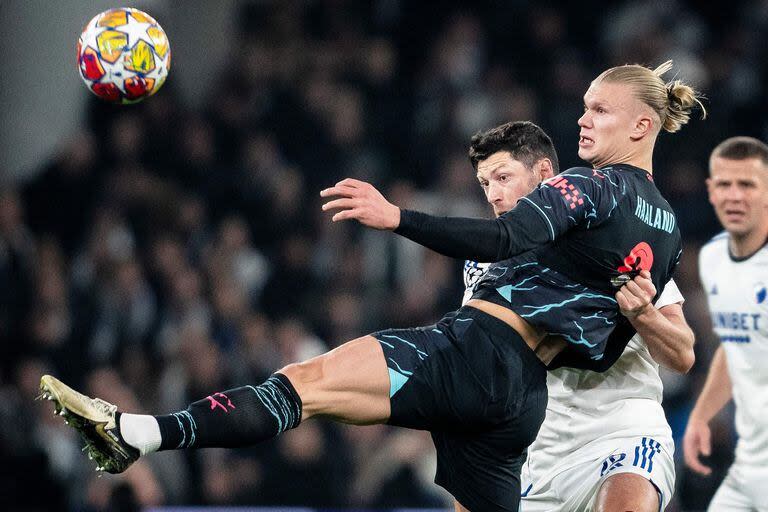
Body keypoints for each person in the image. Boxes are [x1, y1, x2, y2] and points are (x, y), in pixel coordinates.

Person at [40, 61, 702, 512]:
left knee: (302, 387)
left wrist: (397, 218)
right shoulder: (665, 231)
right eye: (583, 107)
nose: (583, 119)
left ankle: (140, 434)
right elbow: (600, 341)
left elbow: (506, 241)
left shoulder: (583, 186)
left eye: (599, 111)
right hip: (524, 403)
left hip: (488, 358)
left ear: (641, 125)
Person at [461, 120, 694, 512]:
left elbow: (683, 355)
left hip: (622, 432)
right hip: (540, 453)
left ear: (545, 175)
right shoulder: (485, 262)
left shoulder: (613, 233)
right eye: (485, 184)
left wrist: (643, 315)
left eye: (503, 178)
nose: (494, 197)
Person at [683, 136, 768, 511]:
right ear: (711, 192)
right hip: (748, 461)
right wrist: (701, 414)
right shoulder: (714, 258)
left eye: (747, 184)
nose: (735, 196)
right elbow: (732, 347)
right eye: (725, 184)